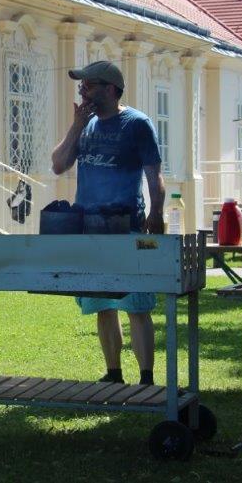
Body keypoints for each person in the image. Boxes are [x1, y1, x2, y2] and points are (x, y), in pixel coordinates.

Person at [51, 60, 166, 385]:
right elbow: (58, 165)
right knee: (102, 303)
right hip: (88, 228)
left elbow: (154, 174)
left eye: (89, 85)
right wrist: (76, 126)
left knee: (136, 304)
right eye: (82, 85)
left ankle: (146, 378)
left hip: (126, 227)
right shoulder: (85, 125)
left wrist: (156, 213)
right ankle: (113, 373)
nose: (82, 90)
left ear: (111, 89)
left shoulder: (137, 124)